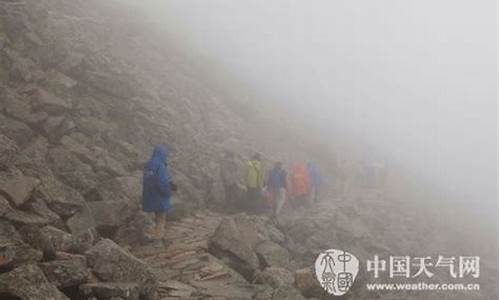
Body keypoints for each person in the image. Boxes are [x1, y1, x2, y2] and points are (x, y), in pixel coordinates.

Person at [142, 145, 171, 239]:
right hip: (159, 197)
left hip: (148, 196)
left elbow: (145, 181)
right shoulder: (160, 166)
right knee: (160, 218)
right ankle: (158, 240)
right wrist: (167, 192)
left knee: (150, 218)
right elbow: (162, 182)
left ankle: (148, 235)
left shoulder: (148, 165)